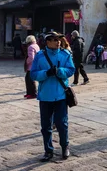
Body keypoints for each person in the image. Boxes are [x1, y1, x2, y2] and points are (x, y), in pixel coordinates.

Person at [30, 31, 75, 161]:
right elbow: (33, 74)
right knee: (46, 126)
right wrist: (46, 73)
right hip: (45, 96)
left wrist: (60, 71)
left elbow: (71, 70)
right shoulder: (40, 56)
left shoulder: (65, 54)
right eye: (54, 40)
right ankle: (48, 150)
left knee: (62, 123)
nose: (58, 42)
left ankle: (65, 146)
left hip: (60, 95)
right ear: (47, 42)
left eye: (58, 39)